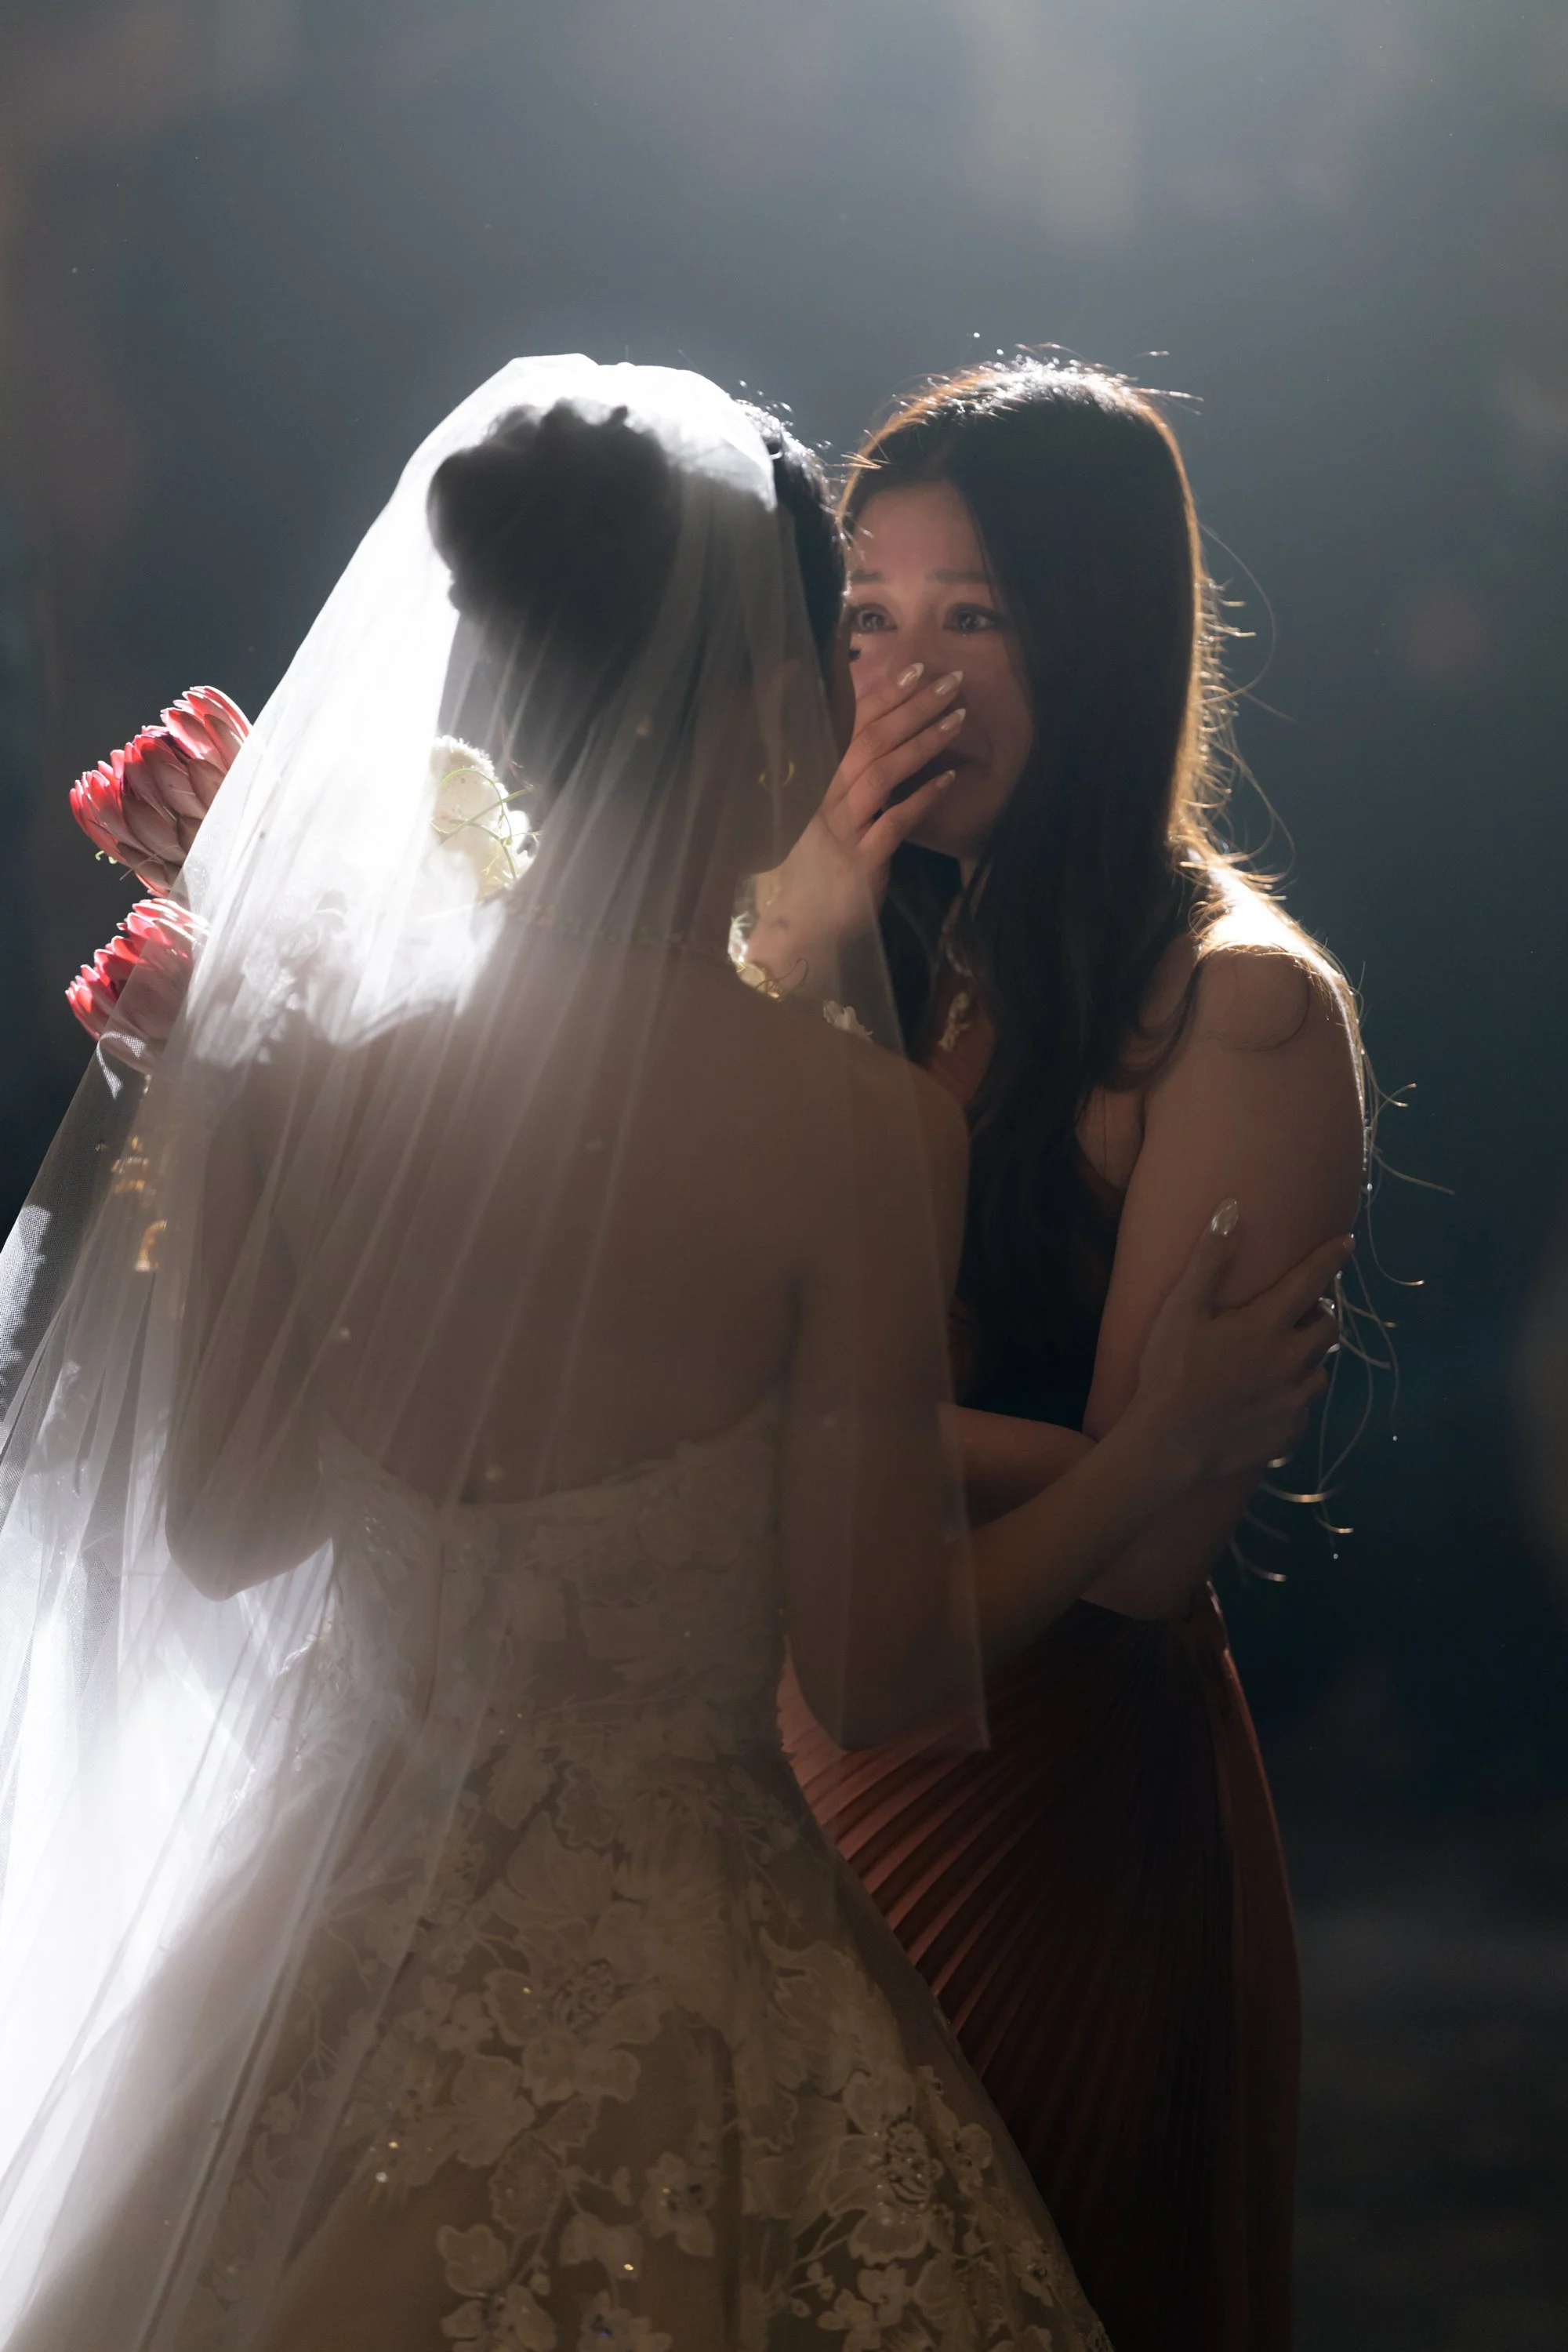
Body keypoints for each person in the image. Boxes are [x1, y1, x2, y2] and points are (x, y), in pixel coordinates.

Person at [0, 358, 1341, 2351]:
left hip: (330, 1929)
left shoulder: (305, 1083)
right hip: (689, 1954)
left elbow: (218, 1534)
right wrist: (1137, 1464)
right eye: (848, 638)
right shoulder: (847, 1126)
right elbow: (879, 1670)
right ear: (763, 693)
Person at [759, 360, 1367, 2352]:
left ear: (1097, 643)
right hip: (796, 1733)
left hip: (1049, 1795)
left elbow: (1146, 1553)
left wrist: (777, 1407)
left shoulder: (1237, 1010)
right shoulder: (861, 938)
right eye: (869, 613)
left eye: (976, 616)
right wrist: (1130, 1435)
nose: (905, 677)